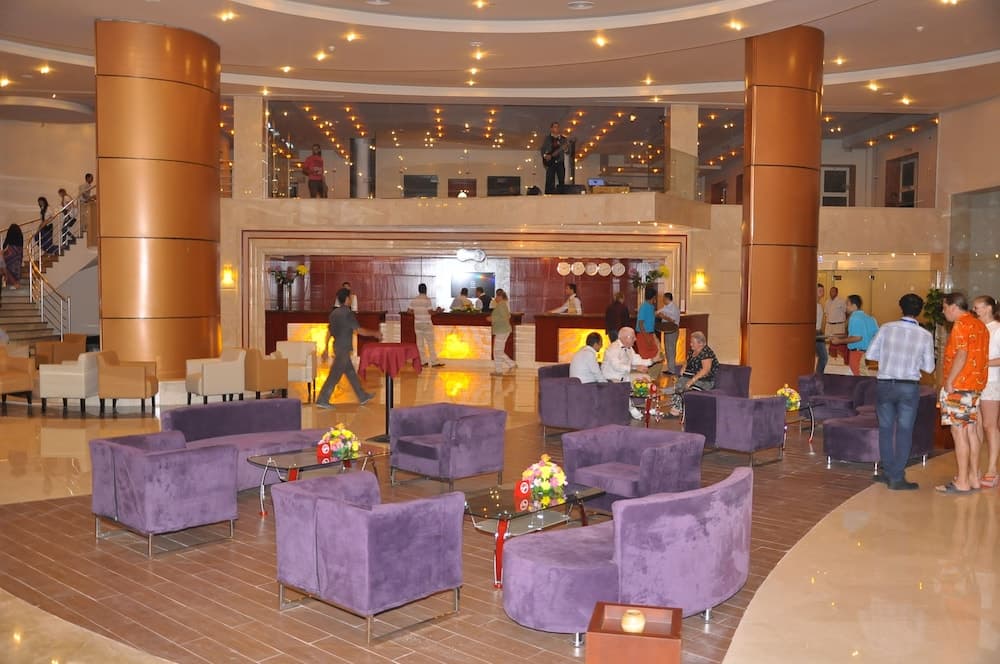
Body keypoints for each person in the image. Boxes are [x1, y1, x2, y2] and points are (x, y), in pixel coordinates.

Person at [865, 293, 935, 491]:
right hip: (908, 387)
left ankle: (888, 472)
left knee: (885, 429)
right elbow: (929, 367)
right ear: (919, 311)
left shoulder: (886, 328)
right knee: (905, 430)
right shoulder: (925, 335)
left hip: (885, 384)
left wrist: (888, 357)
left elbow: (870, 354)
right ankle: (897, 476)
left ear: (900, 307)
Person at [936, 292, 990, 494]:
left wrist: (950, 381)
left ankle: (962, 481)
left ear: (953, 307)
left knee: (958, 433)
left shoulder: (961, 324)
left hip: (959, 385)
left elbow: (962, 354)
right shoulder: (980, 325)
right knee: (971, 431)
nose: (943, 312)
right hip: (975, 385)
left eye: (944, 308)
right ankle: (973, 477)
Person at [315, 288, 380, 409]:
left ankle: (362, 396)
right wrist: (374, 333)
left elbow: (329, 332)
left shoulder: (333, 314)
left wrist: (325, 348)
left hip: (337, 347)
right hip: (344, 349)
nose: (351, 299)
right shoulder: (348, 313)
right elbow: (358, 330)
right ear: (346, 299)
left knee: (350, 373)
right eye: (350, 297)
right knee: (334, 375)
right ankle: (322, 399)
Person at [972, 295, 1000, 488]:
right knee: (977, 425)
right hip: (975, 382)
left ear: (989, 308)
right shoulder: (977, 328)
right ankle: (976, 468)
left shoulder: (997, 329)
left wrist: (983, 363)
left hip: (991, 381)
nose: (975, 311)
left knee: (990, 425)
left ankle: (992, 469)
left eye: (978, 307)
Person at [601, 326, 655, 420]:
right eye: (633, 337)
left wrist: (652, 360)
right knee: (621, 384)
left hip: (624, 377)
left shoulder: (629, 348)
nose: (635, 339)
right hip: (611, 379)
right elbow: (616, 366)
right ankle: (632, 409)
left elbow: (637, 360)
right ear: (626, 338)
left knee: (646, 378)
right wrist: (634, 368)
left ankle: (648, 406)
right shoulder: (613, 348)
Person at [668, 331, 719, 418]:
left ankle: (685, 412)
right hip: (690, 377)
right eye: (691, 342)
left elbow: (706, 370)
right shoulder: (692, 351)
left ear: (700, 343)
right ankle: (676, 411)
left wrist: (692, 381)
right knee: (679, 386)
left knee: (688, 390)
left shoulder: (706, 352)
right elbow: (687, 360)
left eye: (693, 342)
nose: (690, 344)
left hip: (704, 380)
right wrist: (684, 366)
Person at [830, 294, 878, 376]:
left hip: (857, 354)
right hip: (868, 353)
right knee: (864, 376)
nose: (846, 307)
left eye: (847, 304)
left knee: (859, 378)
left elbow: (857, 337)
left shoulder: (854, 317)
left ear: (854, 306)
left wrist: (839, 341)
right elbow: (875, 335)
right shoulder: (870, 318)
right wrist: (839, 336)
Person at [408, 283, 444, 367]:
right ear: (426, 290)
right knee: (430, 343)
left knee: (420, 344)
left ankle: (423, 362)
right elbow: (430, 312)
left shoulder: (414, 300)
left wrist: (417, 313)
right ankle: (434, 362)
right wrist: (438, 311)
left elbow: (409, 311)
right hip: (426, 323)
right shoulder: (427, 300)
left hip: (417, 323)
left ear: (419, 290)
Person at [488, 288, 515, 375]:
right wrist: (493, 318)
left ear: (500, 296)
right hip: (503, 330)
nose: (495, 298)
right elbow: (508, 316)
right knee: (498, 350)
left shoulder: (501, 305)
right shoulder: (503, 304)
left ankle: (499, 370)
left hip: (502, 330)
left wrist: (492, 319)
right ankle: (511, 364)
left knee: (497, 351)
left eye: (496, 296)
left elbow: (505, 317)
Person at [540, 121, 569, 194]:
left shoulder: (563, 139)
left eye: (558, 127)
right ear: (551, 128)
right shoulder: (547, 138)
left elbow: (568, 152)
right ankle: (548, 196)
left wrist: (566, 149)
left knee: (561, 180)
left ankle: (561, 196)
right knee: (549, 180)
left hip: (560, 162)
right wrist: (545, 156)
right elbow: (542, 149)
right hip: (550, 163)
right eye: (555, 127)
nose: (556, 128)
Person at [656, 291, 680, 375]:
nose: (663, 300)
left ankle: (672, 370)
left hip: (672, 331)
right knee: (667, 349)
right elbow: (657, 313)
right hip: (667, 330)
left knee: (671, 349)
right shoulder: (666, 307)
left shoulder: (674, 308)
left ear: (667, 298)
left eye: (663, 298)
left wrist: (664, 317)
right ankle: (670, 368)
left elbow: (673, 320)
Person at [825, 286, 848, 361]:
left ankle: (840, 359)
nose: (831, 293)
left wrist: (846, 324)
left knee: (838, 342)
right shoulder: (827, 301)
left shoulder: (841, 301)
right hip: (829, 325)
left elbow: (846, 312)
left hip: (839, 325)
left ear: (837, 293)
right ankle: (831, 358)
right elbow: (826, 314)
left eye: (833, 291)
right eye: (830, 291)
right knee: (829, 341)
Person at [2, 223, 24, 289]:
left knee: (3, 266)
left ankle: (13, 283)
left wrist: (2, 253)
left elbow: (5, 252)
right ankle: (14, 282)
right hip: (17, 264)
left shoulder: (10, 247)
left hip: (10, 263)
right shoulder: (19, 247)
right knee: (4, 266)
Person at [815, 283, 828, 375]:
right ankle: (818, 376)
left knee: (823, 357)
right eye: (819, 290)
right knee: (823, 357)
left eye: (822, 290)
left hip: (819, 333)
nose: (822, 292)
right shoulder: (812, 305)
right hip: (815, 333)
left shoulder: (819, 305)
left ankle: (818, 376)